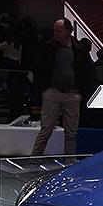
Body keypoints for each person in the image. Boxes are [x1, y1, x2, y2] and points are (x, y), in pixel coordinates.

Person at [31, 18, 90, 156]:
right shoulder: (48, 47)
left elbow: (86, 71)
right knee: (46, 129)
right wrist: (44, 90)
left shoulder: (79, 49)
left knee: (71, 132)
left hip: (72, 94)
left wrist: (80, 92)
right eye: (54, 31)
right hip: (52, 93)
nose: (55, 34)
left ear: (68, 31)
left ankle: (70, 161)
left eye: (59, 31)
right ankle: (34, 159)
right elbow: (39, 69)